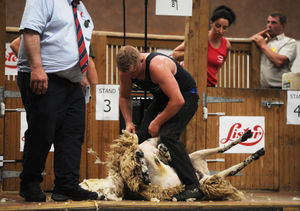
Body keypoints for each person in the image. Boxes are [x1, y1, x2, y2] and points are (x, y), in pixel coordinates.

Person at [16, 0, 98, 202]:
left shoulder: (81, 9)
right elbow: (31, 31)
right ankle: (30, 183)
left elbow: (79, 44)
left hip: (73, 82)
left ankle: (66, 185)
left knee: (73, 134)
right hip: (45, 76)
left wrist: (83, 75)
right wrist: (36, 67)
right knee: (41, 132)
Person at [117, 45, 204, 201]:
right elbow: (124, 97)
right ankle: (137, 184)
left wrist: (157, 121)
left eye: (135, 72)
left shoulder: (157, 66)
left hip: (186, 97)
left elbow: (178, 101)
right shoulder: (126, 72)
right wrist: (129, 122)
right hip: (163, 97)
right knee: (140, 137)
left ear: (141, 60)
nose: (133, 76)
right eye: (129, 74)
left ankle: (193, 186)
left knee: (168, 135)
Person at [172, 5, 236, 87]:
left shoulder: (227, 45)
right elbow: (175, 54)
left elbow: (217, 67)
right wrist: (193, 53)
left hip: (210, 86)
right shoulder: (199, 37)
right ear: (211, 23)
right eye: (218, 26)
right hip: (190, 84)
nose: (220, 31)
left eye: (224, 28)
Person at [251, 12, 297, 88]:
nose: (269, 25)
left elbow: (279, 62)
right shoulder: (265, 41)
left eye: (274, 23)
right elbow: (246, 45)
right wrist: (259, 34)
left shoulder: (289, 42)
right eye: (268, 22)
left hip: (279, 89)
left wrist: (263, 45)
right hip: (260, 89)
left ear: (283, 25)